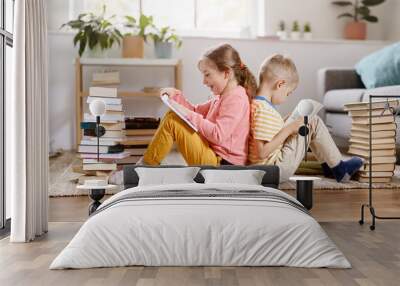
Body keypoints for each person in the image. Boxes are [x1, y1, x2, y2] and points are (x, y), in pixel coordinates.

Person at [248, 54, 363, 182]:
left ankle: (329, 167)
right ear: (280, 84)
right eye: (288, 93)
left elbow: (269, 134)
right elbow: (262, 152)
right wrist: (289, 128)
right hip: (274, 169)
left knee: (305, 120)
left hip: (269, 167)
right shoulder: (263, 110)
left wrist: (287, 121)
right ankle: (339, 168)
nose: (287, 97)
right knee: (312, 121)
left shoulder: (257, 105)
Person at [142, 43, 257, 166]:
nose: (204, 81)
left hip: (223, 164)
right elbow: (195, 111)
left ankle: (146, 167)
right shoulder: (223, 97)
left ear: (226, 73)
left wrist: (188, 114)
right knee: (172, 115)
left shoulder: (236, 99)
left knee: (172, 121)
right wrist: (175, 96)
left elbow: (218, 135)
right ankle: (147, 164)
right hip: (213, 155)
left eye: (207, 74)